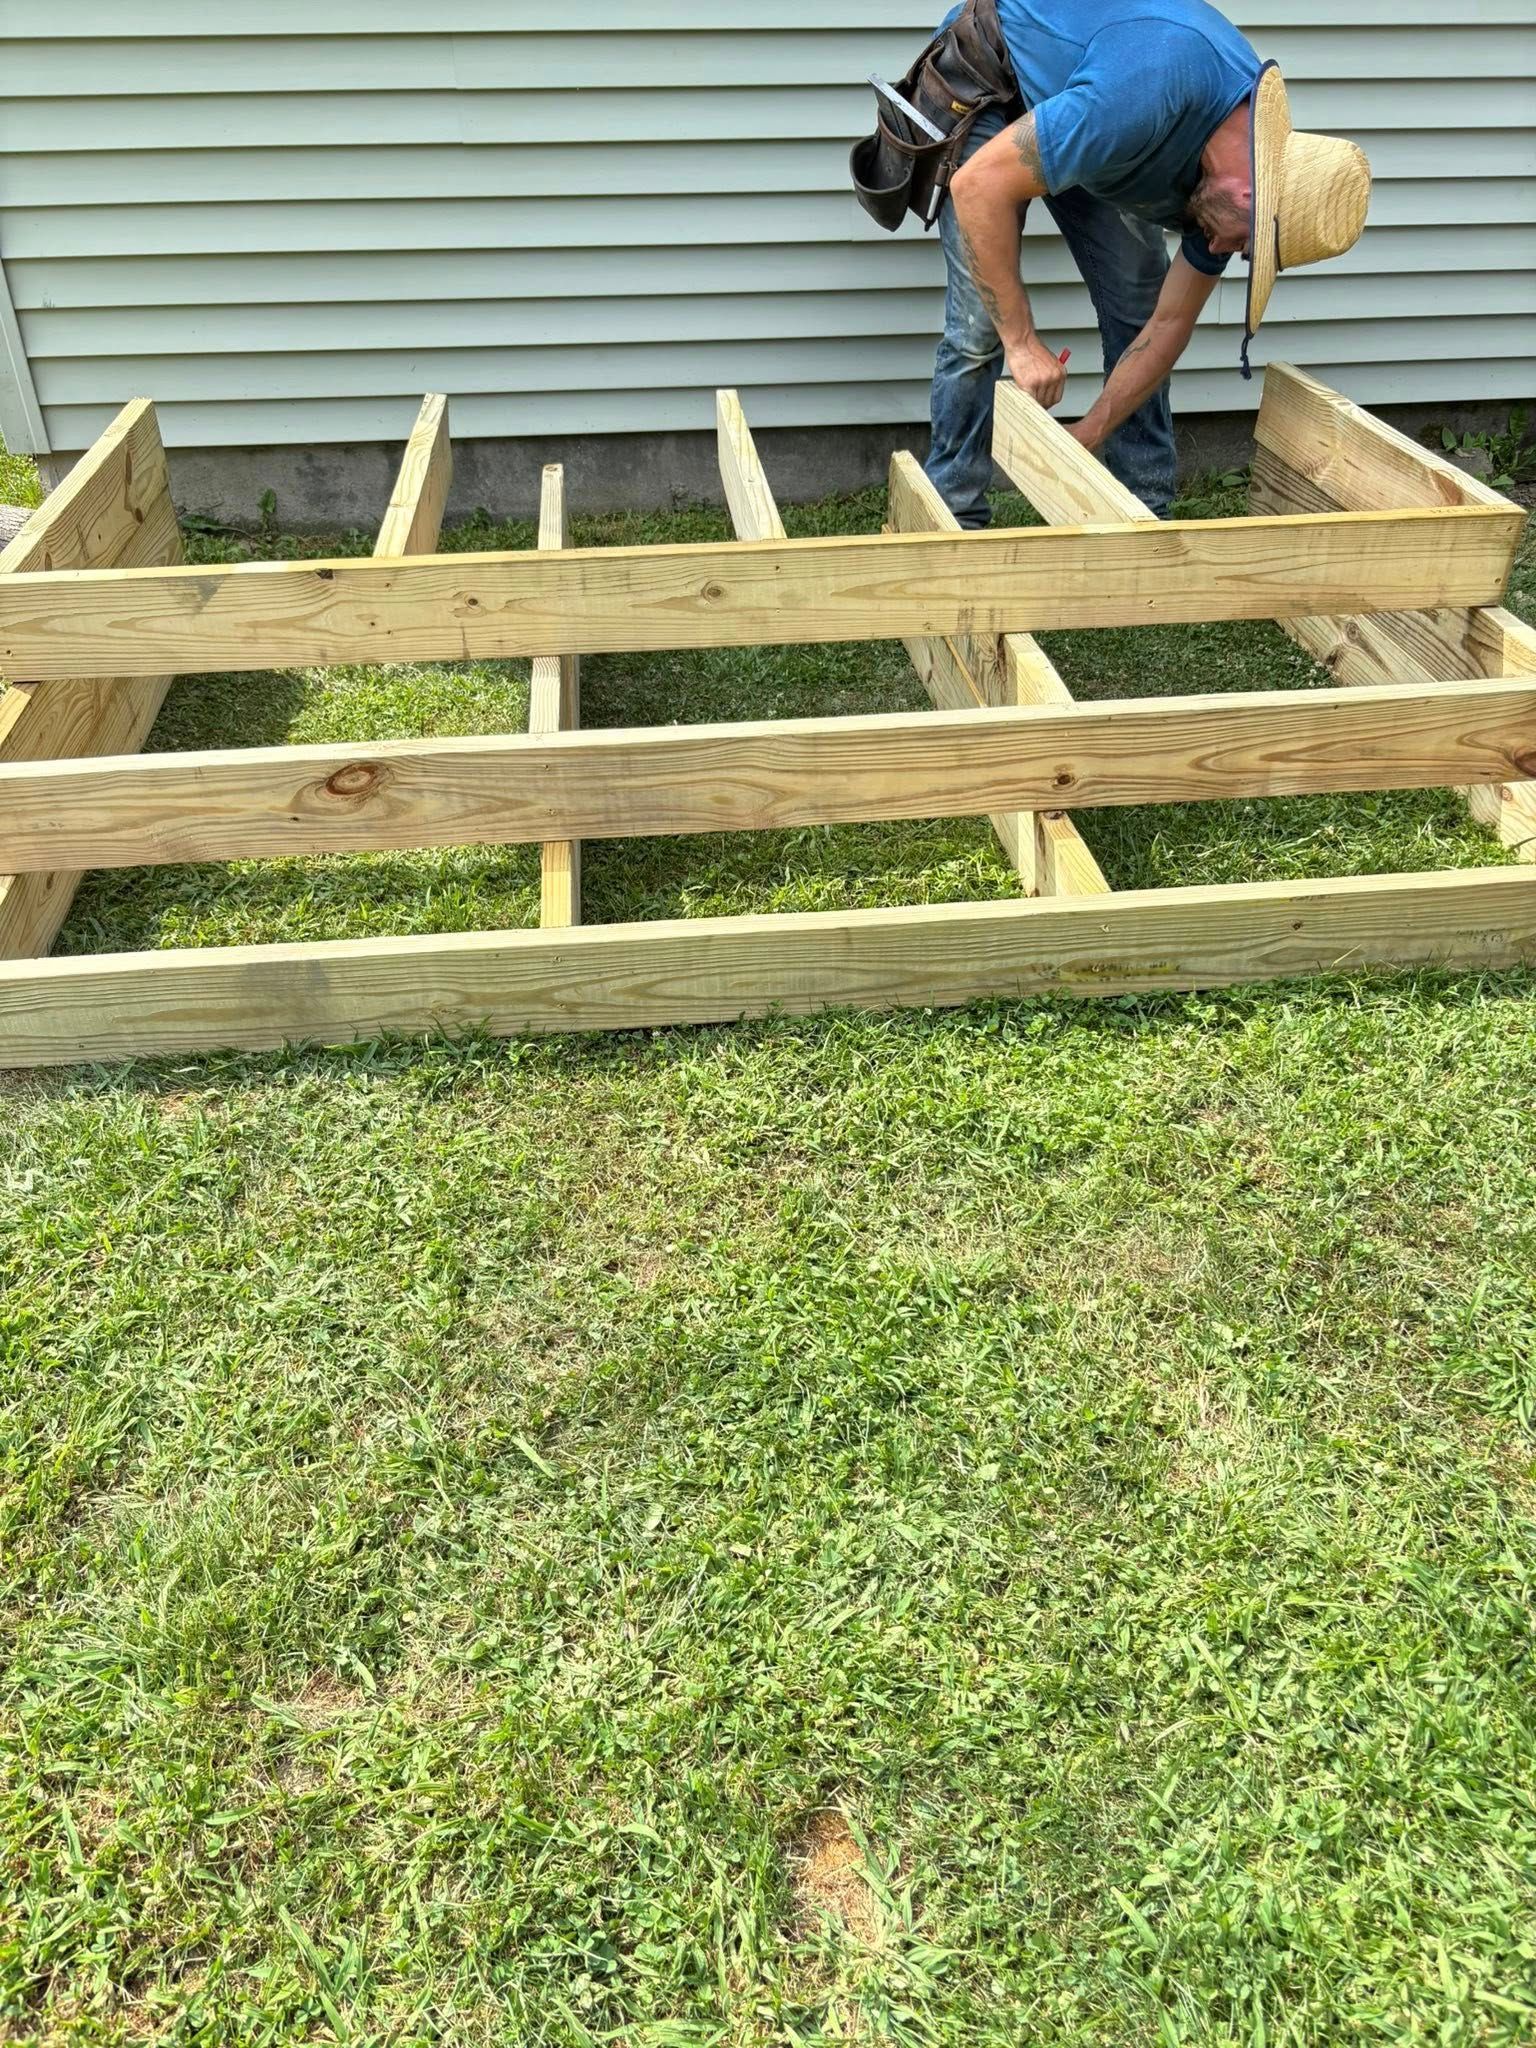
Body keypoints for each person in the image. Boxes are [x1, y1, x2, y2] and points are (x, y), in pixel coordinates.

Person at [901, 0, 1370, 523]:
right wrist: (1024, 344)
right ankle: (956, 516)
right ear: (1245, 196)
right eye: (1244, 246)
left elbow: (1167, 324)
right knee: (980, 325)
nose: (1220, 253)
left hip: (1094, 118)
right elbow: (977, 186)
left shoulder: (1239, 181)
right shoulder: (1145, 95)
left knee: (1140, 305)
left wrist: (1090, 431)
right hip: (995, 76)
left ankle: (1142, 516)